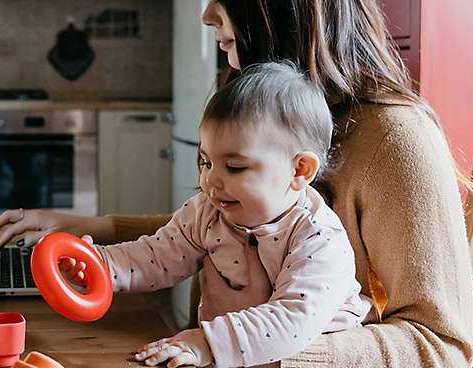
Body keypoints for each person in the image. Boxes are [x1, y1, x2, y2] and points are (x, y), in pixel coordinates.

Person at [0, 0, 473, 366]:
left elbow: (441, 348)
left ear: (282, 3)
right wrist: (99, 232)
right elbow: (220, 233)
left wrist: (252, 350)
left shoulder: (396, 139)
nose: (206, 15)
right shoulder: (260, 115)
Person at [62, 62, 371, 367]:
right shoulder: (206, 213)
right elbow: (156, 255)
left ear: (299, 170)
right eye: (206, 161)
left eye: (234, 167)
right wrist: (100, 265)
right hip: (225, 356)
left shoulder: (319, 239)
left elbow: (291, 320)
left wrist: (206, 342)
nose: (209, 180)